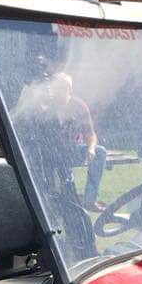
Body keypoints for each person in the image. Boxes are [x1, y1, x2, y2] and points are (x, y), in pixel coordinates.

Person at [47, 72, 107, 211]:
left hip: (72, 150)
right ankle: (55, 199)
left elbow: (91, 134)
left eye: (62, 88)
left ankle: (90, 200)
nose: (58, 91)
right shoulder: (47, 108)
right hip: (50, 154)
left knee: (100, 152)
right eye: (56, 87)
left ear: (69, 89)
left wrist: (91, 149)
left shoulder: (79, 106)